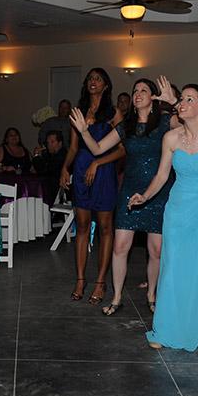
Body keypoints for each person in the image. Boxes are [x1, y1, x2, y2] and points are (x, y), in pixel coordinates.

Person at [128, 84, 198, 351]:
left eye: (190, 99)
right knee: (172, 268)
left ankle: (195, 324)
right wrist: (145, 196)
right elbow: (162, 175)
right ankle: (166, 328)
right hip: (177, 209)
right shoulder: (171, 138)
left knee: (196, 271)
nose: (182, 103)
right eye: (181, 99)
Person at [69, 77, 175, 316]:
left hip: (158, 191)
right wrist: (84, 132)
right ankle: (116, 297)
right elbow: (97, 149)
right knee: (120, 246)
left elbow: (192, 122)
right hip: (129, 190)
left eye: (144, 90)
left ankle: (152, 294)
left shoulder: (166, 122)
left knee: (156, 250)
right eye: (135, 90)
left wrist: (174, 102)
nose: (138, 94)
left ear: (153, 97)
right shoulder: (125, 126)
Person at [59, 68, 125, 305]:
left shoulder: (114, 112)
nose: (93, 81)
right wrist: (64, 168)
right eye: (90, 78)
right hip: (80, 169)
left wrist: (98, 163)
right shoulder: (78, 112)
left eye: (98, 78)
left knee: (106, 227)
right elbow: (73, 148)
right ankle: (80, 279)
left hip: (104, 170)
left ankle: (100, 281)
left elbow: (123, 149)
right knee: (82, 225)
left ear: (106, 85)